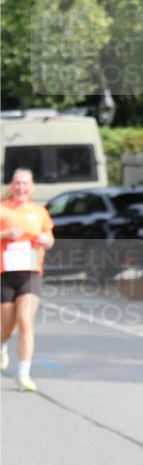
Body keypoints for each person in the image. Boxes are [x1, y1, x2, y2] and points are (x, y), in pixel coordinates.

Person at [1, 168, 55, 392]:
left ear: (32, 187)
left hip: (31, 273)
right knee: (7, 327)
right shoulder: (2, 208)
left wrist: (46, 239)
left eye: (25, 183)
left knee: (25, 321)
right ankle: (2, 345)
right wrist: (5, 235)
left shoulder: (39, 211)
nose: (20, 187)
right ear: (11, 185)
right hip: (5, 273)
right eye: (17, 183)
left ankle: (23, 374)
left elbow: (50, 238)